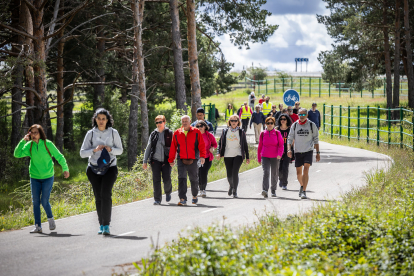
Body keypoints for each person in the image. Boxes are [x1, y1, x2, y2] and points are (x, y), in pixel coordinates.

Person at [14, 124, 70, 233]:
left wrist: (65, 168)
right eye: (32, 133)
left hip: (48, 176)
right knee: (35, 202)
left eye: (36, 132)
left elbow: (59, 156)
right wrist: (23, 141)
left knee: (44, 201)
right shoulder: (29, 145)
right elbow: (17, 154)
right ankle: (38, 226)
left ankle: (50, 219)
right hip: (34, 177)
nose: (34, 135)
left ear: (40, 133)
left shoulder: (47, 144)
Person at [80, 108, 123, 235]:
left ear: (107, 120)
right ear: (95, 119)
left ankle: (107, 225)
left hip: (110, 168)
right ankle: (101, 224)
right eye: (98, 118)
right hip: (93, 169)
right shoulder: (90, 134)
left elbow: (120, 150)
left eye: (103, 118)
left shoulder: (113, 132)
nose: (101, 121)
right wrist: (94, 150)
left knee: (106, 194)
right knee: (98, 196)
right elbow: (82, 153)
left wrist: (110, 149)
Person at [169, 115, 206, 206]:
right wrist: (171, 159)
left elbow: (201, 145)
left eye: (186, 121)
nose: (184, 123)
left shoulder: (196, 132)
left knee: (193, 179)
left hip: (193, 159)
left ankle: (194, 196)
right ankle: (182, 198)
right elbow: (173, 147)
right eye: (183, 121)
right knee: (181, 178)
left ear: (190, 122)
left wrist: (202, 156)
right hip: (181, 159)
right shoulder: (177, 133)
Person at [287, 108, 320, 199]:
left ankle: (304, 191)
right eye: (300, 115)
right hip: (298, 151)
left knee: (306, 169)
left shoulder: (311, 125)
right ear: (297, 115)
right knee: (298, 174)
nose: (301, 116)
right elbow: (289, 139)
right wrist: (289, 150)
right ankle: (302, 185)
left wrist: (318, 152)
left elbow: (316, 139)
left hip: (308, 150)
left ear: (307, 115)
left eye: (303, 114)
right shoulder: (294, 125)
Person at [217, 115, 250, 198]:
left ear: (238, 122)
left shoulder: (241, 132)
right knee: (229, 174)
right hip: (228, 154)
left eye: (235, 121)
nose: (234, 122)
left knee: (235, 172)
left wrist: (247, 157)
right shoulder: (225, 131)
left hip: (238, 154)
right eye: (232, 121)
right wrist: (218, 153)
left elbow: (245, 145)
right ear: (229, 122)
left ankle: (235, 190)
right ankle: (231, 185)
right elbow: (220, 143)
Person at [143, 115, 173, 205]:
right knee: (156, 179)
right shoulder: (153, 134)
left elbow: (173, 147)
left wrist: (172, 159)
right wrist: (145, 161)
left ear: (164, 122)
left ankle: (168, 192)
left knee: (166, 179)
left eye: (160, 122)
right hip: (155, 160)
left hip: (166, 160)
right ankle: (157, 199)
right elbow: (148, 148)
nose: (159, 124)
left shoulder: (169, 133)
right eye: (157, 122)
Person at [257, 117, 284, 198]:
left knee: (274, 173)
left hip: (275, 157)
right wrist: (259, 157)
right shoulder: (262, 133)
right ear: (265, 124)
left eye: (271, 123)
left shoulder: (277, 133)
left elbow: (281, 145)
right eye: (268, 123)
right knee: (266, 172)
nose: (269, 125)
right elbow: (260, 146)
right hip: (265, 156)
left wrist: (280, 154)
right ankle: (265, 190)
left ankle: (273, 190)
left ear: (274, 124)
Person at [195, 120, 217, 197]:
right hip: (197, 158)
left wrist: (212, 148)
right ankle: (200, 189)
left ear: (205, 127)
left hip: (207, 158)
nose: (199, 127)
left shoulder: (209, 135)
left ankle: (203, 190)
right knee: (198, 174)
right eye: (197, 126)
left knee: (203, 173)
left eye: (201, 126)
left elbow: (215, 144)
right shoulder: (195, 135)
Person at [276, 114, 292, 190]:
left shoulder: (290, 129)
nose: (283, 120)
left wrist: (290, 149)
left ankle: (284, 183)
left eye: (284, 119)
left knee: (285, 167)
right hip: (278, 151)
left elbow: (292, 139)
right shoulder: (277, 129)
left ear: (287, 120)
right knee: (279, 167)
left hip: (287, 150)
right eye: (281, 119)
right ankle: (281, 179)